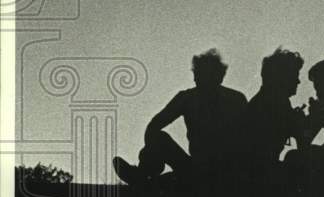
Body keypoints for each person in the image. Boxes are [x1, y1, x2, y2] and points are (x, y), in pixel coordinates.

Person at [113, 48, 247, 185]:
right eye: (197, 74)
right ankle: (144, 173)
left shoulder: (234, 100)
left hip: (225, 170)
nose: (196, 78)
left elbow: (249, 136)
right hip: (199, 168)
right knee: (160, 139)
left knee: (169, 177)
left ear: (218, 76)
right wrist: (151, 157)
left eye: (202, 74)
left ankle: (144, 176)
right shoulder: (189, 98)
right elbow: (154, 126)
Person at [236, 47, 310, 176]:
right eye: (294, 76)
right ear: (282, 77)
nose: (298, 81)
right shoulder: (275, 103)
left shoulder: (270, 100)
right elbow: (302, 142)